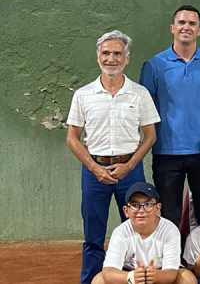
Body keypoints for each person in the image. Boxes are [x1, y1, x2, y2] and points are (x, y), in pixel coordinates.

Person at [66, 30, 160, 284]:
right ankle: (91, 280)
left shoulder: (139, 93)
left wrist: (129, 165)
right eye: (106, 53)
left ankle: (136, 278)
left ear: (126, 58)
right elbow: (72, 138)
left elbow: (150, 135)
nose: (111, 58)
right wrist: (94, 168)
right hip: (94, 172)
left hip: (131, 172)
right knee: (93, 235)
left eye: (117, 53)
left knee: (137, 229)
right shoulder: (83, 95)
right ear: (98, 56)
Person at [140, 5, 200, 226]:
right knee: (168, 215)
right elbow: (144, 111)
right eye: (181, 22)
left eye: (192, 23)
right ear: (172, 27)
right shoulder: (154, 65)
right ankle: (172, 260)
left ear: (199, 30)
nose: (186, 27)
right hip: (166, 152)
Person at [92, 182, 196, 284]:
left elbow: (171, 273)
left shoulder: (170, 230)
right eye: (134, 205)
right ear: (126, 211)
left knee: (187, 279)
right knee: (99, 280)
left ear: (158, 208)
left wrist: (156, 276)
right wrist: (131, 277)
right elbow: (108, 272)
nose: (141, 211)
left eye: (148, 204)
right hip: (130, 274)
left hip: (160, 273)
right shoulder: (120, 232)